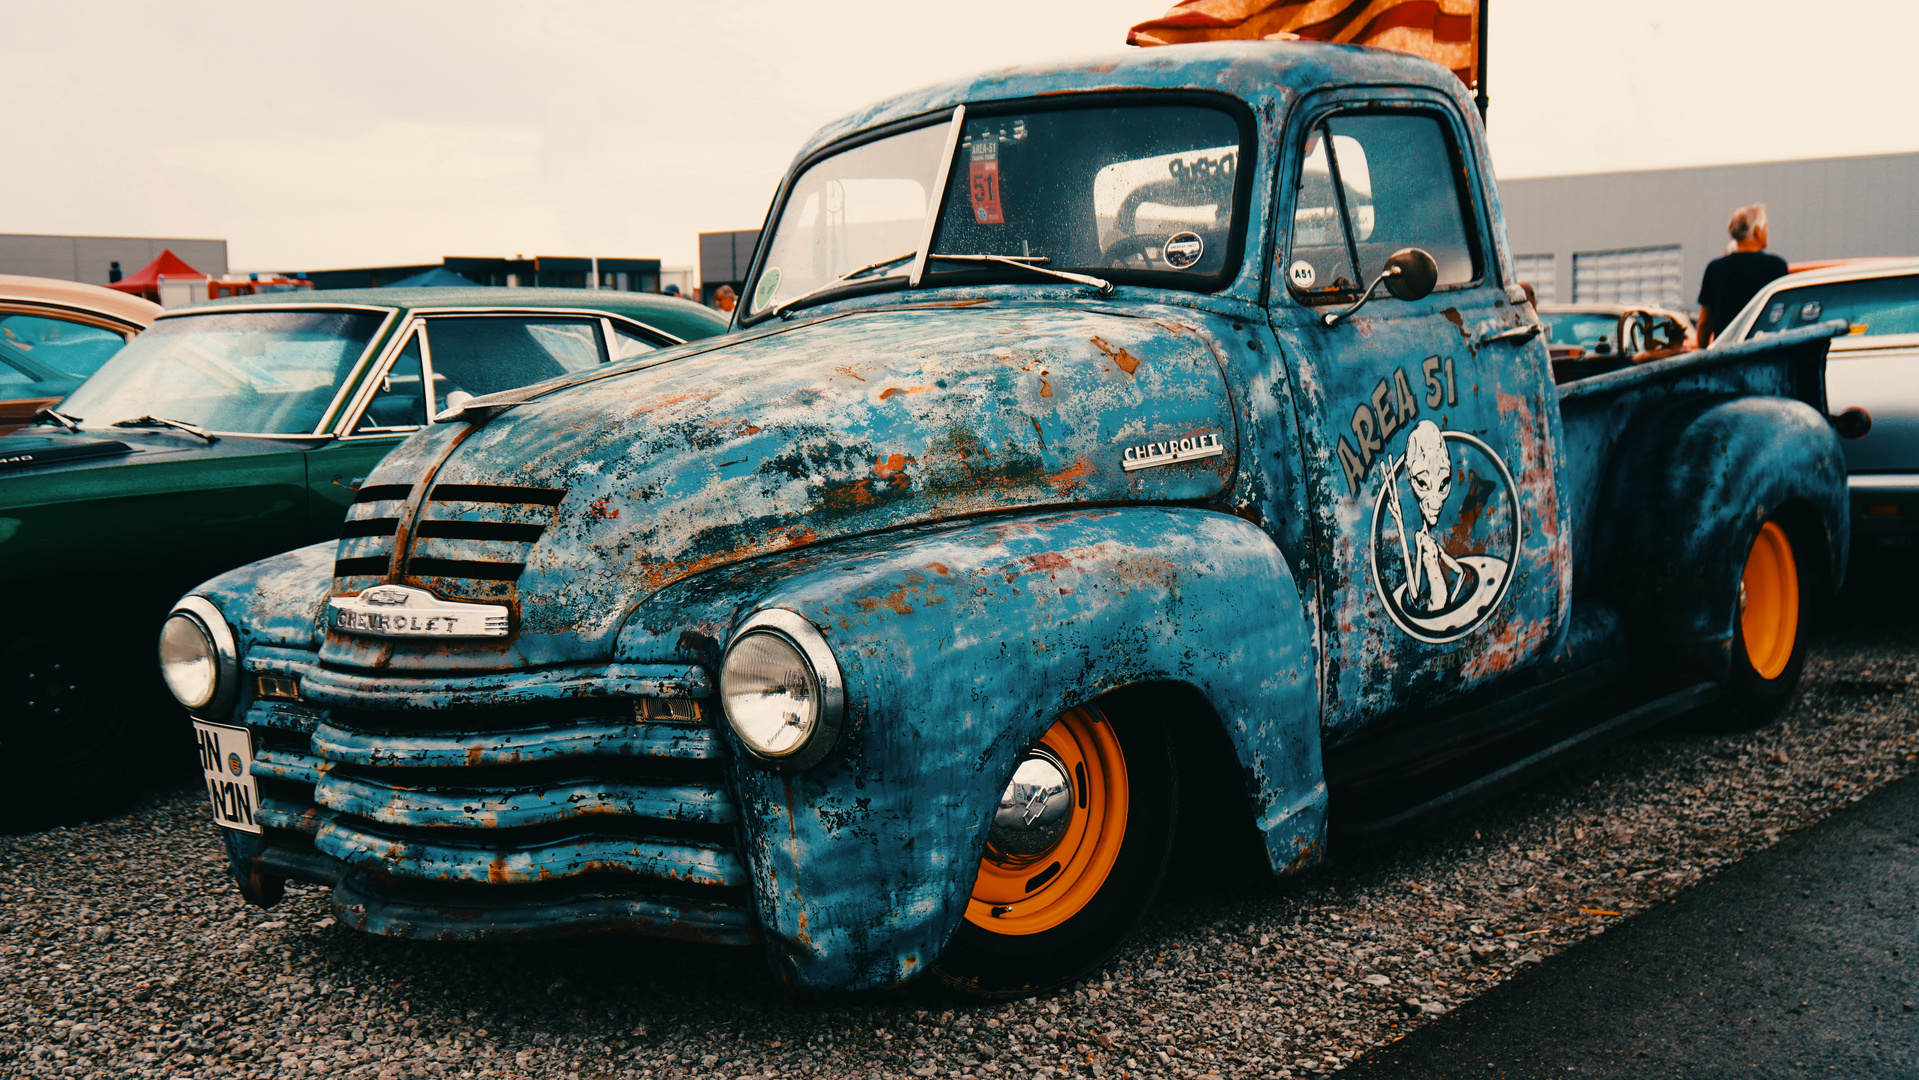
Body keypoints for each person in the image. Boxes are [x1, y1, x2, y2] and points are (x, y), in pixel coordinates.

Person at [1696, 204, 1787, 347]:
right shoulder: (1776, 266)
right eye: (1766, 228)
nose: (1767, 232)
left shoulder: (1715, 268)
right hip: (1764, 349)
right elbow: (1785, 313)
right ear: (1757, 231)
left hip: (1724, 354)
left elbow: (1705, 321)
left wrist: (1701, 353)